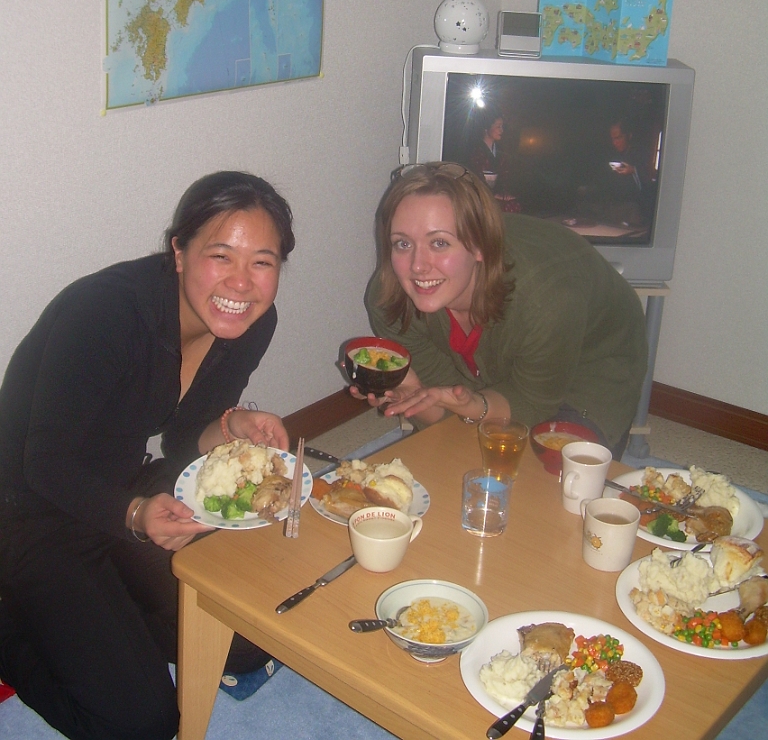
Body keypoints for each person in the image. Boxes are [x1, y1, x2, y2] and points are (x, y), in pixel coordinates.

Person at [0, 171, 295, 740]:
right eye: (221, 255)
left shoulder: (251, 321)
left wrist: (232, 424)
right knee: (144, 724)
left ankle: (98, 610)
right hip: (28, 507)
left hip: (124, 486)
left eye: (262, 261)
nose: (242, 282)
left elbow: (185, 440)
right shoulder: (105, 313)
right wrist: (134, 516)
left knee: (246, 642)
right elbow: (44, 463)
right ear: (179, 253)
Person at [359, 163, 647, 456]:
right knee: (459, 457)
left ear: (480, 245)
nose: (417, 266)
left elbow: (532, 401)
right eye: (403, 243)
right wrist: (413, 394)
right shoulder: (390, 300)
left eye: (440, 242)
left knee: (554, 471)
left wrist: (477, 405)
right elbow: (448, 412)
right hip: (505, 354)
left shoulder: (546, 297)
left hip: (591, 363)